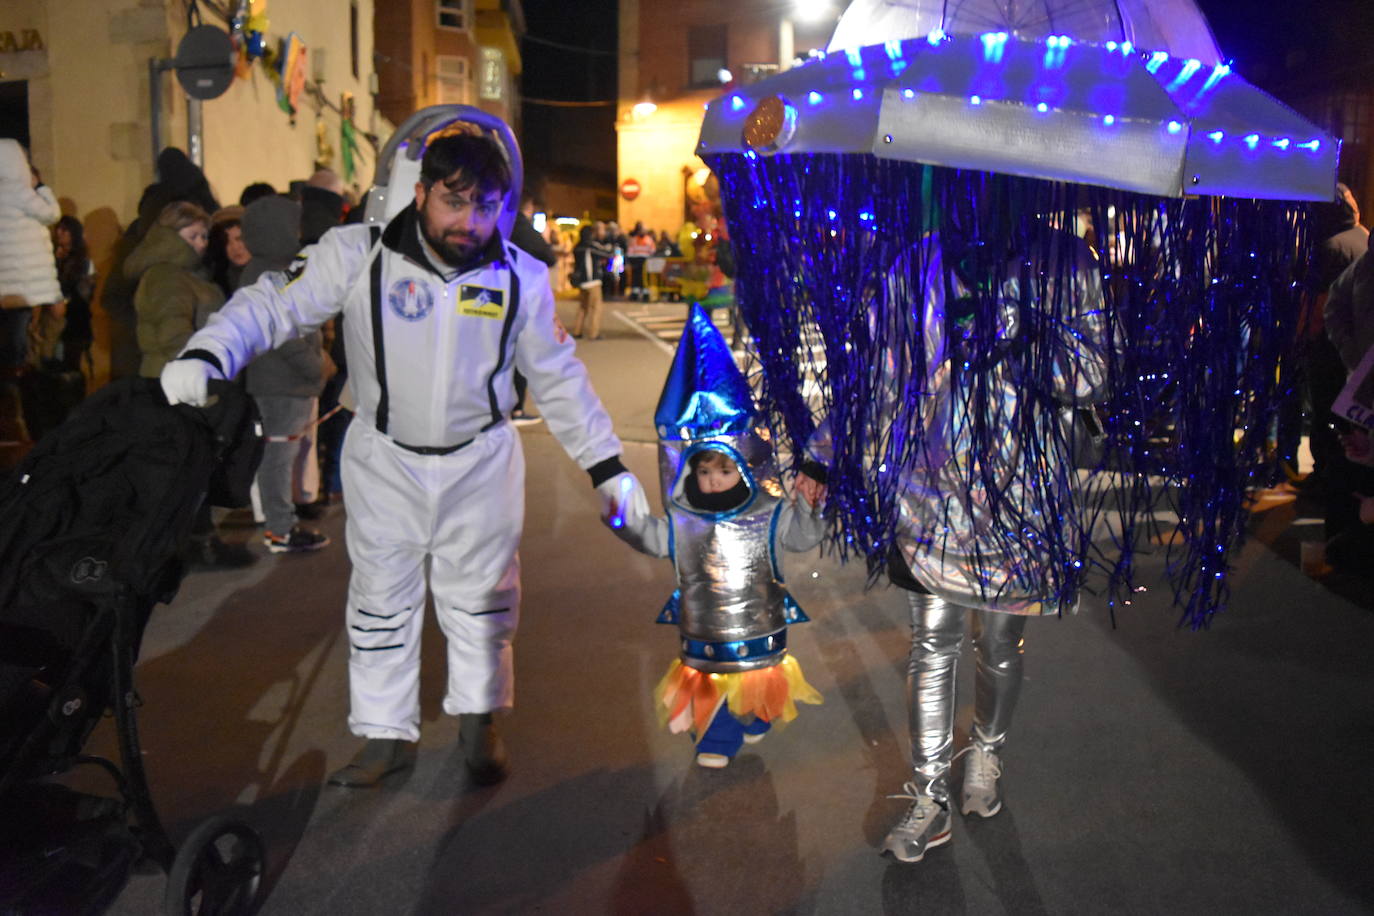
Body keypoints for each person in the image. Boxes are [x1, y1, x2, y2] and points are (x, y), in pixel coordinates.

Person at [160, 129, 653, 788]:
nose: (468, 221)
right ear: (419, 192)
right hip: (384, 460)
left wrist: (608, 468)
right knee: (380, 604)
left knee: (483, 603)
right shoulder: (357, 255)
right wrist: (209, 351)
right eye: (453, 201)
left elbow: (560, 378)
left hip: (480, 462)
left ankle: (479, 720)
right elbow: (274, 304)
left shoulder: (521, 279)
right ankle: (384, 737)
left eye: (485, 206)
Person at [870, 231, 1107, 864]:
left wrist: (1019, 334)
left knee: (999, 641)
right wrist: (837, 457)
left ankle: (986, 752)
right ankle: (928, 796)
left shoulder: (1066, 260)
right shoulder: (919, 262)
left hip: (1020, 501)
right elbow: (886, 377)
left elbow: (1089, 376)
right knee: (931, 644)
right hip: (932, 492)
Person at [616, 307, 826, 767]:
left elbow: (800, 539)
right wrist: (627, 521)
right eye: (704, 471)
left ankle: (754, 716)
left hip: (760, 625)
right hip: (703, 631)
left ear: (747, 465)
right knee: (713, 680)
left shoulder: (767, 514)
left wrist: (811, 507)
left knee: (756, 680)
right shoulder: (684, 520)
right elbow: (655, 539)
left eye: (725, 470)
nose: (712, 481)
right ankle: (717, 735)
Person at [237, 194, 331, 554]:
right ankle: (280, 529)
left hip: (288, 381)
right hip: (281, 383)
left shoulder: (277, 268)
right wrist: (314, 365)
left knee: (283, 456)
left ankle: (283, 523)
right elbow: (282, 333)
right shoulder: (265, 273)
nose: (298, 231)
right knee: (278, 457)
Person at [0, 140, 63, 459]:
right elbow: (51, 214)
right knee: (23, 359)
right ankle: (25, 425)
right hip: (26, 292)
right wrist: (43, 188)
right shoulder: (21, 192)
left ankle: (10, 426)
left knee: (9, 357)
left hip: (5, 291)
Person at [53, 215, 95, 376]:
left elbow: (84, 293)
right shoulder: (52, 256)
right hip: (55, 319)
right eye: (58, 228)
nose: (59, 232)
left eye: (65, 229)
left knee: (71, 366)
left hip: (75, 320)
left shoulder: (83, 261)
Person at [571, 224, 612, 340]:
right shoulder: (591, 246)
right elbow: (607, 254)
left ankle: (577, 331)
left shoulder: (577, 247)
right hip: (592, 280)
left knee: (582, 307)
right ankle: (594, 333)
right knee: (596, 307)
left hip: (581, 281)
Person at [206, 207, 251, 297]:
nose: (235, 247)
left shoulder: (276, 272)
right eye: (226, 242)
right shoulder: (216, 282)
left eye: (239, 239)